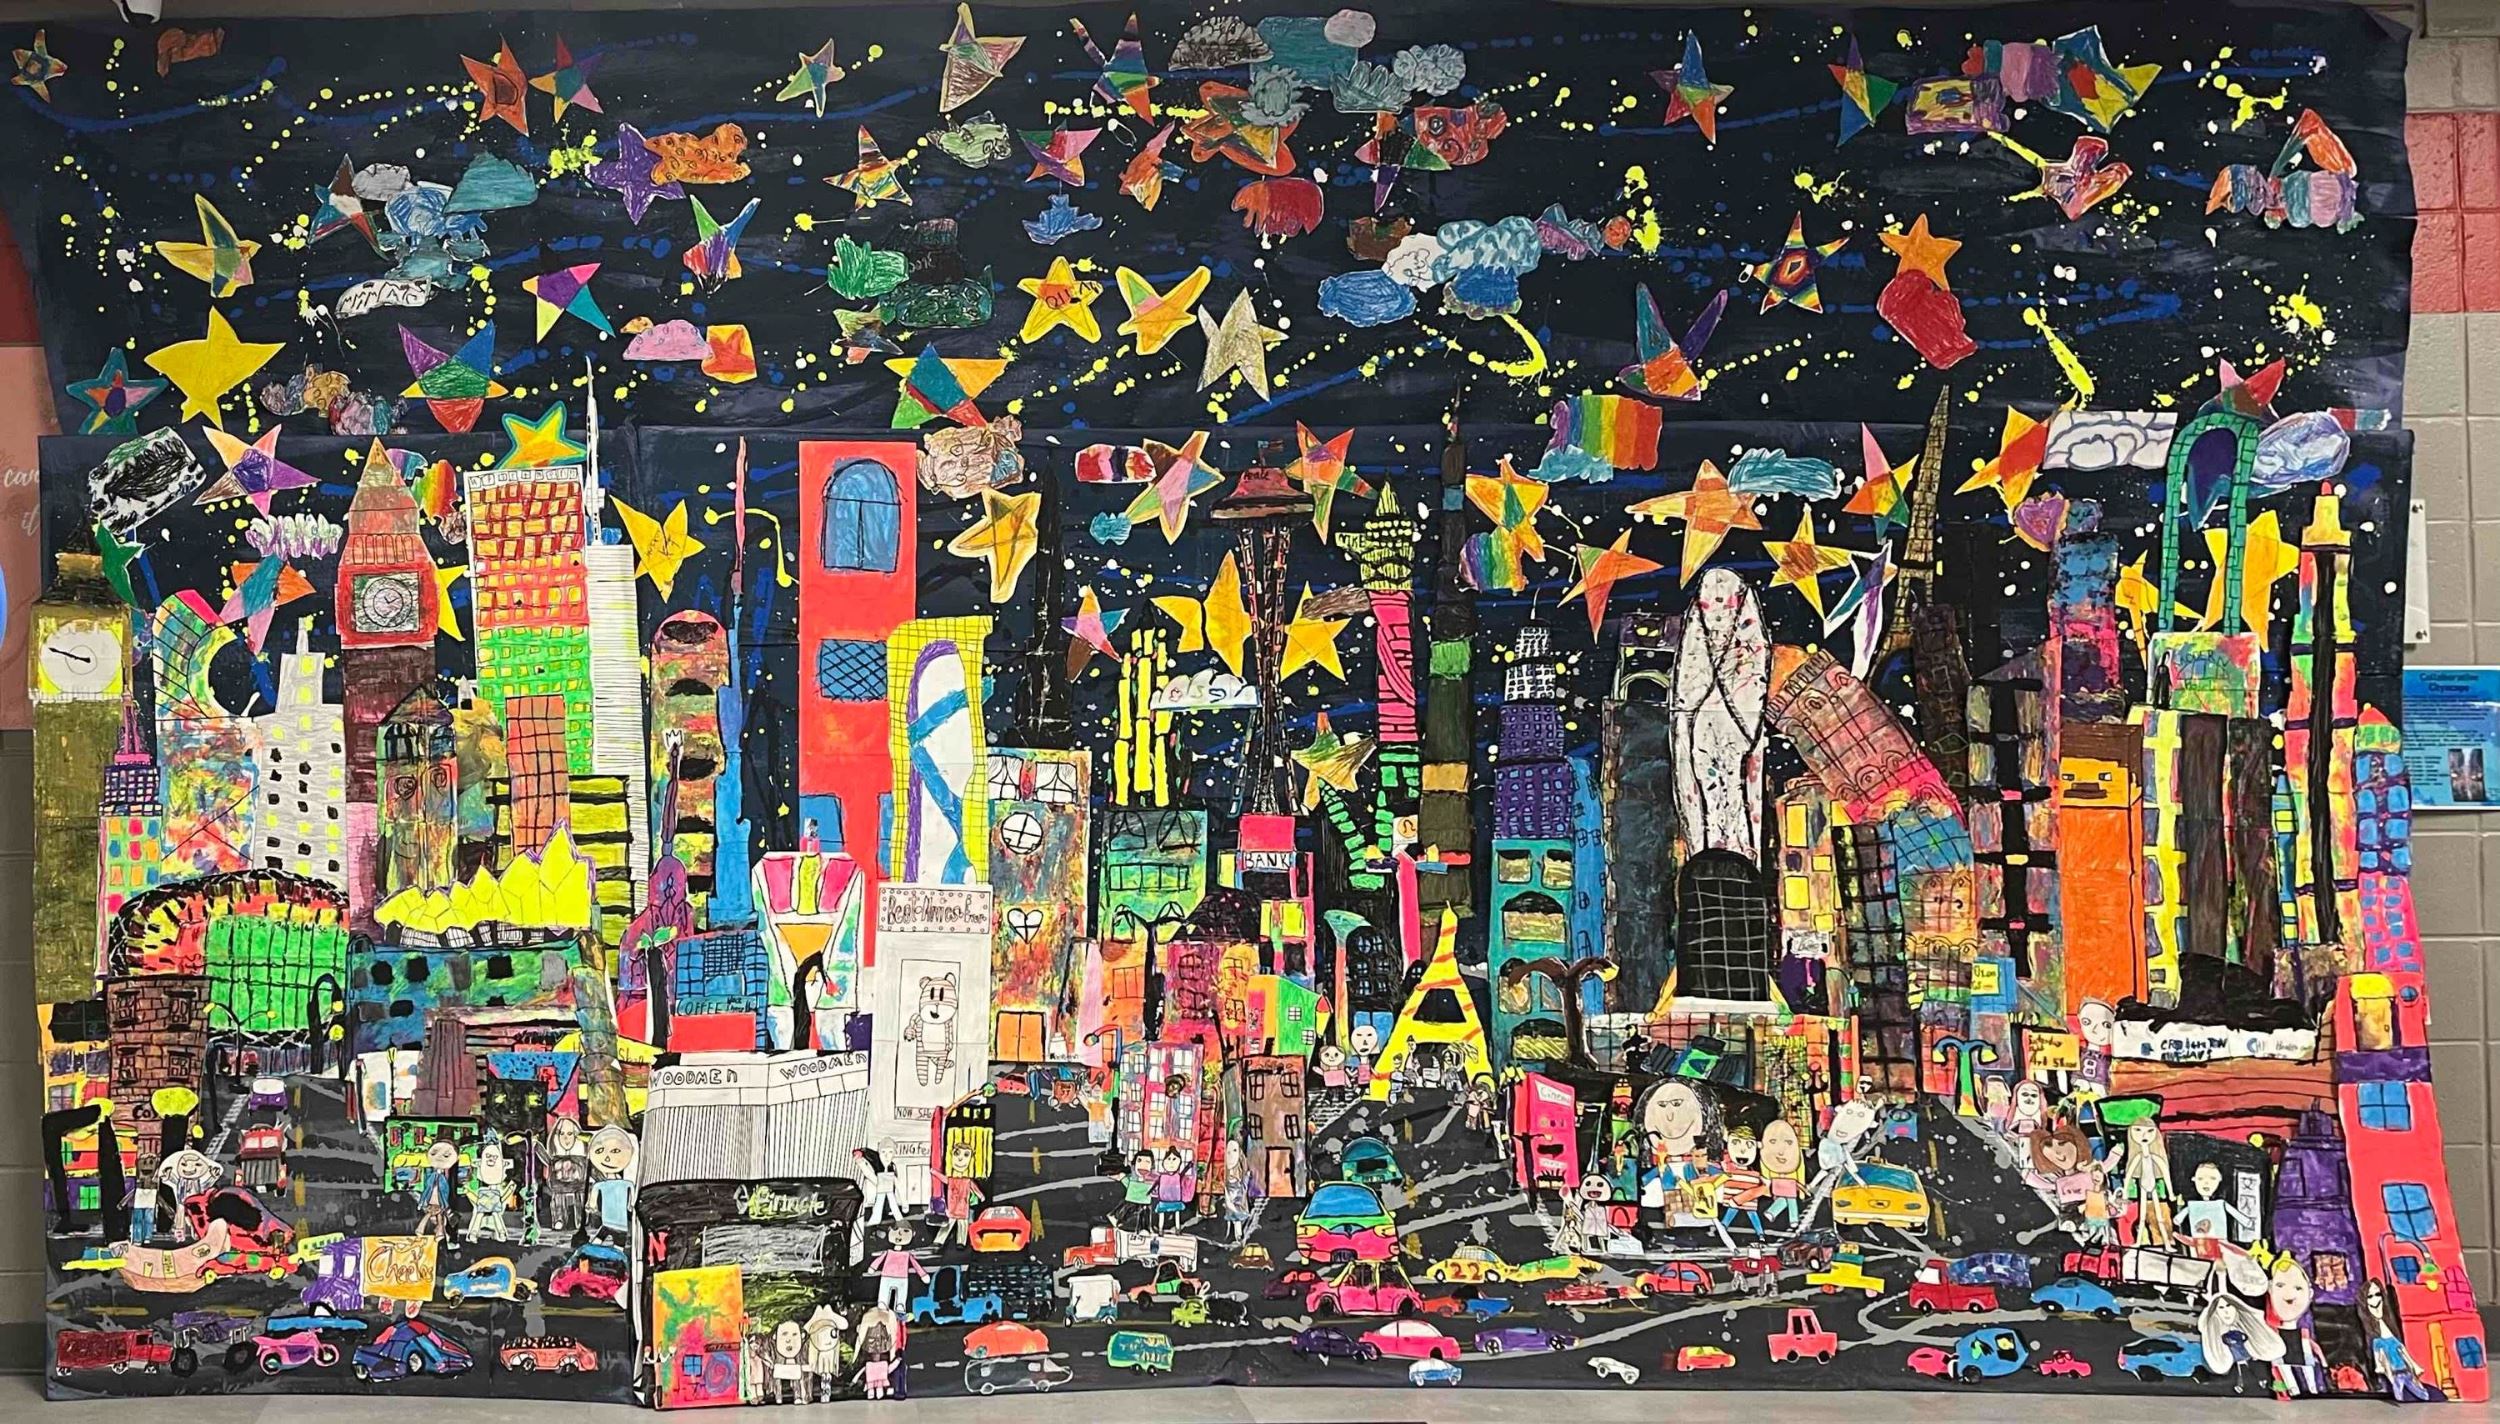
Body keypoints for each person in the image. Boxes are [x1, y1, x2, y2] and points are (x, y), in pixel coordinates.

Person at [541, 1115, 589, 1235]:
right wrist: (537, 1147)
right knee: (558, 1198)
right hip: (559, 1186)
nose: (565, 1138)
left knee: (580, 1198)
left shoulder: (581, 1157)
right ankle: (559, 1219)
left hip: (578, 1186)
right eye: (561, 1134)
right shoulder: (555, 1156)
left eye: (570, 1134)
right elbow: (547, 1160)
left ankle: (580, 1220)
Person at [1717, 1126, 1769, 1237]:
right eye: (1735, 1143)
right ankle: (1724, 1226)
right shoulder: (1729, 1166)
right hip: (1736, 1191)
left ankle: (1760, 1233)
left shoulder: (1755, 1172)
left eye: (1749, 1145)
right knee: (1734, 1208)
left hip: (1748, 1192)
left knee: (1749, 1212)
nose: (1742, 1150)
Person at [870, 1221, 929, 1313]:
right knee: (885, 1292)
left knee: (901, 1293)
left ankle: (900, 1305)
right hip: (889, 1276)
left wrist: (922, 1274)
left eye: (905, 1231)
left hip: (900, 1278)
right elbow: (879, 1260)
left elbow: (915, 1264)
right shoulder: (889, 1252)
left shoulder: (906, 1255)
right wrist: (873, 1267)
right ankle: (884, 1303)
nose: (900, 1234)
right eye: (895, 1230)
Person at [466, 1134, 516, 1242]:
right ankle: (474, 1233)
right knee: (483, 1214)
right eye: (488, 1157)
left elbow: (501, 1199)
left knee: (494, 1215)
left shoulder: (496, 1187)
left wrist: (510, 1190)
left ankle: (500, 1233)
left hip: (493, 1195)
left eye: (494, 1158)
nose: (491, 1160)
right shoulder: (482, 1172)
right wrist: (469, 1193)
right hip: (486, 1195)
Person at [1759, 1117, 1804, 1231]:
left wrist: (1767, 1185)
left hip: (1783, 1180)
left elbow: (1800, 1167)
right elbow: (1801, 1169)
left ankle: (1772, 1212)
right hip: (1785, 1181)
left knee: (1787, 1199)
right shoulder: (1794, 1151)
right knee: (1791, 1199)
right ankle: (1793, 1219)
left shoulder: (1795, 1151)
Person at [415, 1134, 460, 1238]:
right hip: (437, 1196)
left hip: (435, 1196)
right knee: (437, 1213)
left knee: (434, 1213)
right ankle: (434, 1230)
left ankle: (427, 1230)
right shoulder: (439, 1178)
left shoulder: (436, 1178)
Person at [855, 1147, 903, 1229]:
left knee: (885, 1198)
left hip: (883, 1176)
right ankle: (887, 1213)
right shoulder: (881, 1160)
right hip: (884, 1176)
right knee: (887, 1198)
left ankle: (885, 1213)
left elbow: (869, 1172)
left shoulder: (878, 1159)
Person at [128, 1167, 159, 1246]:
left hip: (148, 1200)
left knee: (144, 1221)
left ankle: (143, 1238)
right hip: (144, 1201)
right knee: (143, 1221)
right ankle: (141, 1238)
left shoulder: (151, 1182)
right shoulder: (141, 1183)